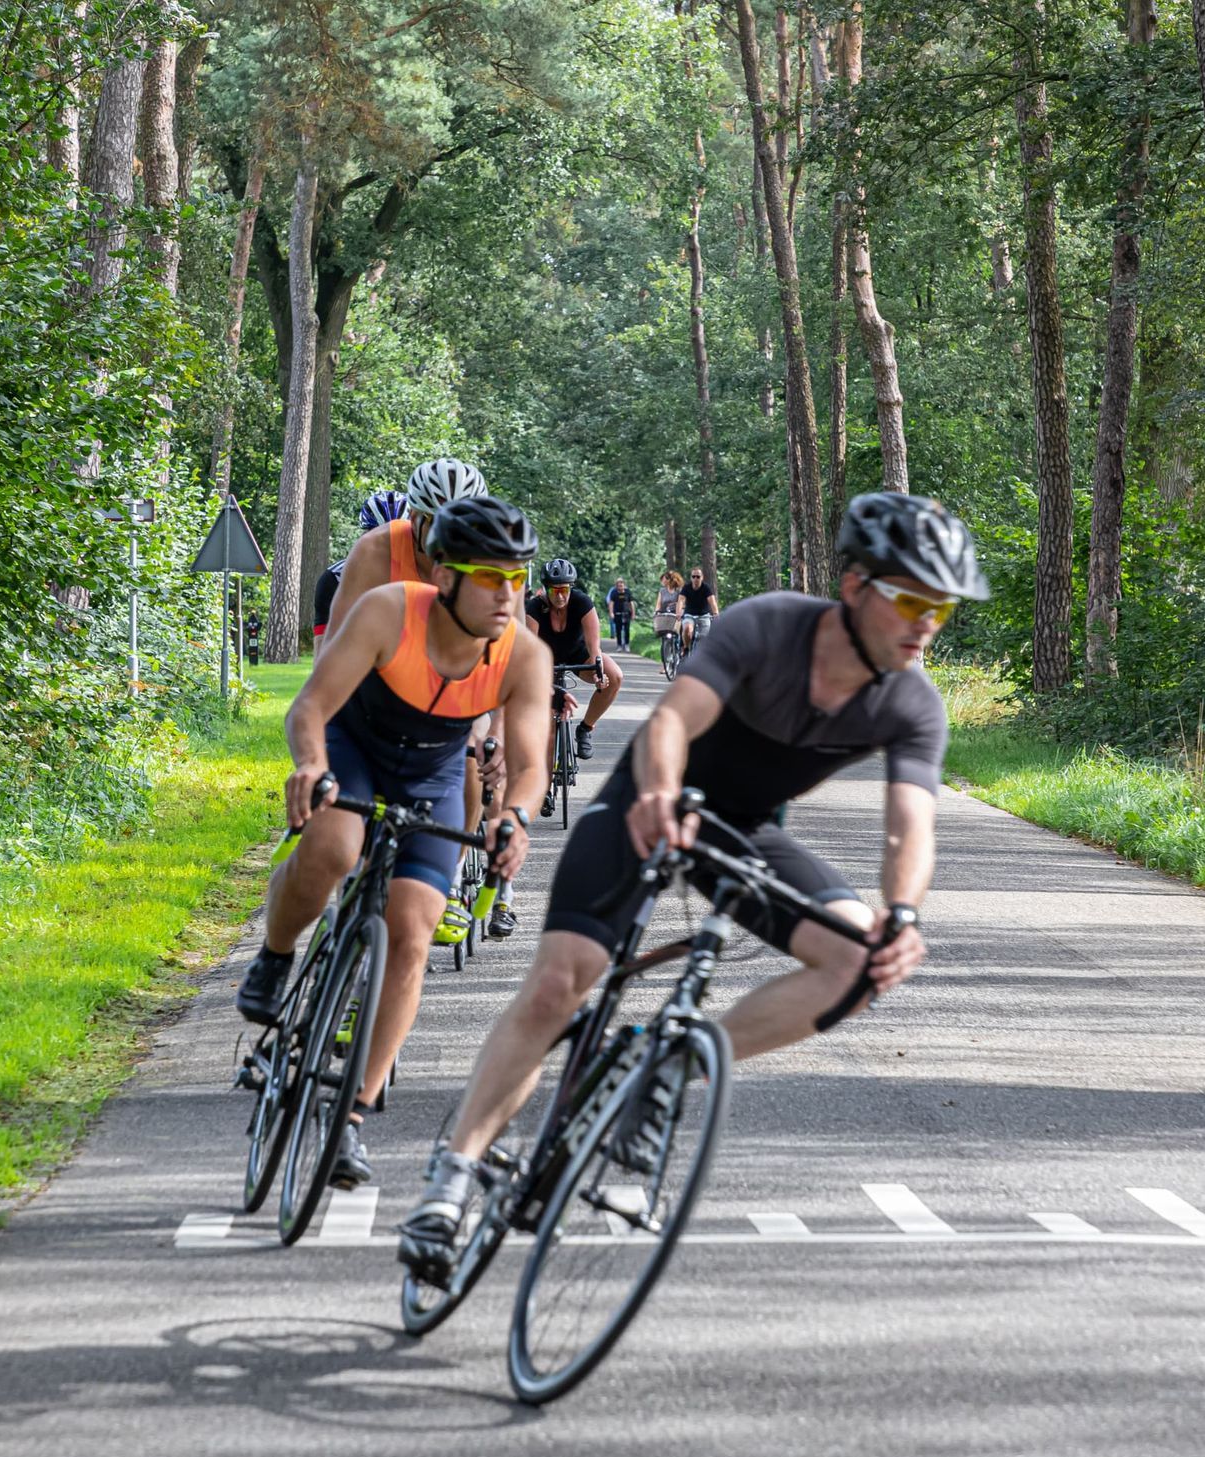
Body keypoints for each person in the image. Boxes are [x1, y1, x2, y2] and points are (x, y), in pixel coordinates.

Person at [398, 493, 987, 1272]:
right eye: (910, 600)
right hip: (650, 800)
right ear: (854, 586)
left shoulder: (912, 702)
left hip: (743, 830)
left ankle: (673, 1067)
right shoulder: (772, 626)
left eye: (941, 607)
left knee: (860, 962)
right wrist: (658, 795)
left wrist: (902, 913)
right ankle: (452, 1177)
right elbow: (673, 720)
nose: (926, 623)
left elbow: (910, 826)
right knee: (562, 981)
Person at [235, 497, 551, 1189]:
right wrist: (311, 765)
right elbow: (310, 707)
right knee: (333, 848)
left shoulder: (524, 655)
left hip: (431, 772)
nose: (507, 596)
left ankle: (352, 1113)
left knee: (413, 929)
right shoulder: (390, 611)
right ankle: (276, 955)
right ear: (445, 577)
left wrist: (515, 818)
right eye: (489, 577)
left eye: (516, 579)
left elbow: (531, 767)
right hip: (353, 746)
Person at [324, 461, 511, 941]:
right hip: (375, 687)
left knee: (473, 758)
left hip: (451, 694)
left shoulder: (495, 562)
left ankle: (448, 876)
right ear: (415, 519)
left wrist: (498, 736)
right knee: (333, 848)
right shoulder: (377, 550)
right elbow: (335, 648)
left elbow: (507, 661)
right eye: (439, 524)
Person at [524, 558, 623, 761]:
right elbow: (530, 652)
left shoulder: (582, 602)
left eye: (564, 590)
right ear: (546, 590)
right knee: (549, 724)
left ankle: (585, 728)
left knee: (614, 676)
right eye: (554, 591)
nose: (560, 596)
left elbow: (594, 647)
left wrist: (598, 673)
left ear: (571, 588)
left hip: (578, 653)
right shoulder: (534, 607)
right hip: (545, 659)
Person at [313, 489, 410, 652]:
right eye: (380, 537)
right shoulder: (334, 579)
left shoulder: (431, 574)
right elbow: (323, 647)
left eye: (399, 536)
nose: (391, 545)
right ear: (365, 536)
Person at [678, 565, 718, 654]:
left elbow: (712, 602)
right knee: (687, 629)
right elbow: (681, 600)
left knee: (704, 638)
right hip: (689, 615)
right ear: (691, 578)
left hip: (704, 616)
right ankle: (686, 648)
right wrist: (678, 612)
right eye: (693, 576)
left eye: (698, 577)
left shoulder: (706, 588)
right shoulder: (686, 587)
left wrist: (715, 613)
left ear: (702, 578)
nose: (695, 579)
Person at [605, 578, 635, 652]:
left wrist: (633, 613)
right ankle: (619, 645)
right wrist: (611, 613)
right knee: (618, 630)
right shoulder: (614, 593)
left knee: (627, 630)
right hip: (617, 614)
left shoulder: (628, 592)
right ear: (616, 586)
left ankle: (627, 644)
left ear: (624, 585)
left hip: (626, 614)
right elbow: (611, 603)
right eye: (618, 585)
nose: (620, 587)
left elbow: (631, 603)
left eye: (621, 585)